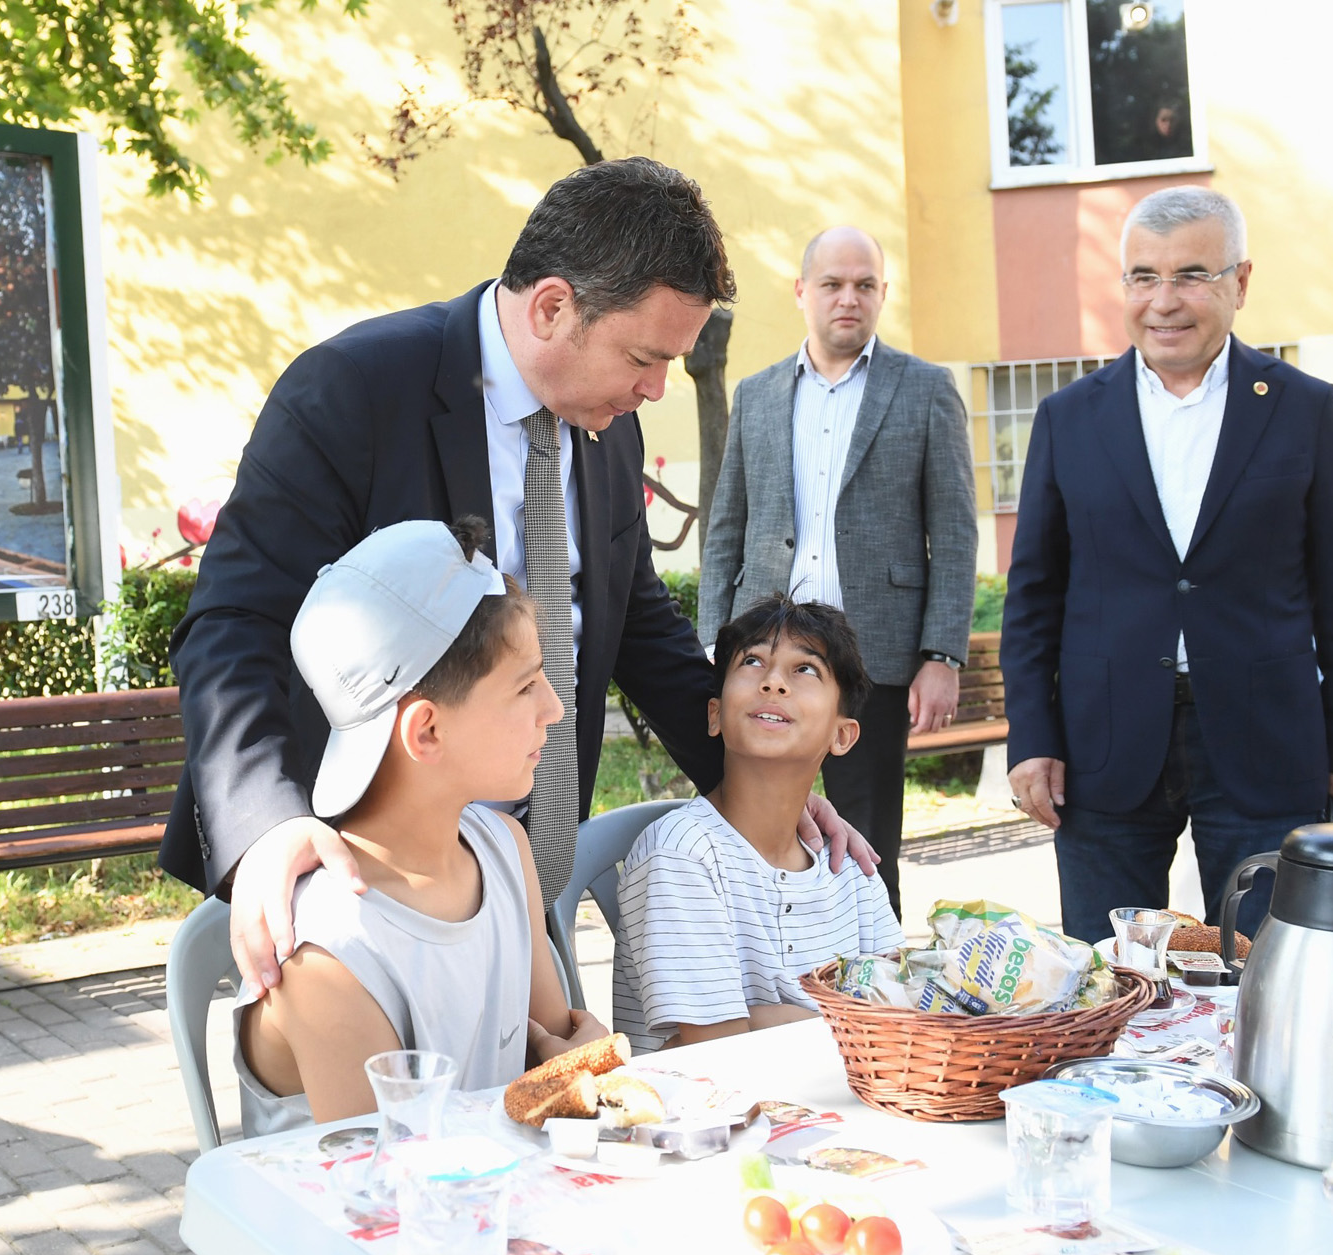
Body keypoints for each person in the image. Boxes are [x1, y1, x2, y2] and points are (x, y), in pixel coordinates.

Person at [160, 159, 875, 993]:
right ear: (552, 306)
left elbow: (637, 623)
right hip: (349, 884)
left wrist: (759, 780)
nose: (655, 389)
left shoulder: (610, 425)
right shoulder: (354, 390)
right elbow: (233, 622)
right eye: (645, 357)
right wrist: (266, 830)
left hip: (520, 883)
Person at [1002, 186, 1333, 943]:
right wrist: (1032, 737)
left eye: (1190, 276)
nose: (1163, 301)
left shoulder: (1302, 409)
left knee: (1270, 974)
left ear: (1239, 283)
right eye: (1143, 277)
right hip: (1103, 749)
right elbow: (1035, 594)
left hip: (1265, 746)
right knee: (1108, 982)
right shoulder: (1070, 418)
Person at [234, 519, 608, 1134]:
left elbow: (552, 1056)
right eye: (525, 685)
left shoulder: (505, 850)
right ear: (426, 731)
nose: (554, 707)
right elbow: (389, 1195)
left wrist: (574, 1068)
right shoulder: (329, 952)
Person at [697, 226, 977, 913]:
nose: (848, 298)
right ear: (802, 293)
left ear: (882, 294)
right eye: (832, 284)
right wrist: (714, 637)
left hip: (874, 659)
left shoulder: (925, 389)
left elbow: (956, 530)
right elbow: (727, 523)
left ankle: (873, 995)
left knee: (867, 846)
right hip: (763, 654)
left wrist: (941, 653)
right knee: (752, 831)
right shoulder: (758, 395)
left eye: (864, 285)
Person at [612, 595, 904, 1052]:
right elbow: (718, 1048)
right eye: (752, 661)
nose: (773, 683)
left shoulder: (848, 865)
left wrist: (769, 1019)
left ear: (841, 735)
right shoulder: (682, 855)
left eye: (805, 669)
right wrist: (849, 1017)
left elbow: (905, 1013)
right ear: (714, 715)